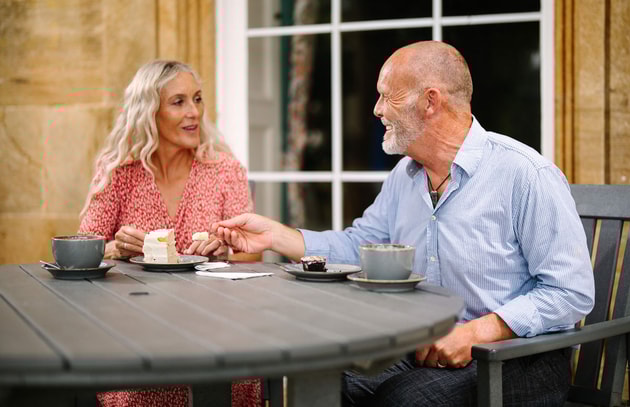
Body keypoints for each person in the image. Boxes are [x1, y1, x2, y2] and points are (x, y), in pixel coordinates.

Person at [211, 41, 595, 406]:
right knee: (324, 381)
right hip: (426, 348)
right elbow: (359, 247)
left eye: (386, 95)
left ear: (431, 101)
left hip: (518, 358)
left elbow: (570, 292)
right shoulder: (405, 177)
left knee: (404, 400)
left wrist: (477, 332)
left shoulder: (525, 175)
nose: (377, 109)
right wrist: (276, 236)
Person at [79, 60, 261, 407]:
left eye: (197, 99)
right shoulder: (119, 173)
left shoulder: (225, 170)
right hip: (136, 328)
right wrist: (115, 248)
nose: (193, 112)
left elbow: (253, 254)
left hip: (215, 329)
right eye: (178, 102)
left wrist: (225, 249)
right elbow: (84, 249)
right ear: (150, 111)